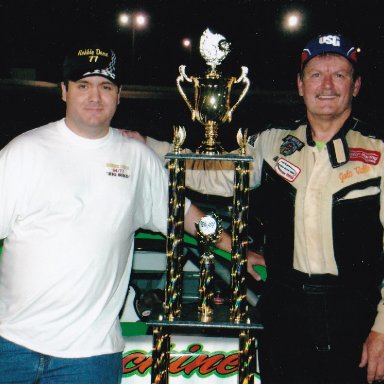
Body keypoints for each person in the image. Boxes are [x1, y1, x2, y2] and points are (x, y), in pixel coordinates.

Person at [127, 33, 384, 383]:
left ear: (355, 86)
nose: (326, 85)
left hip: (355, 315)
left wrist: (382, 328)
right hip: (284, 309)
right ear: (299, 84)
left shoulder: (379, 152)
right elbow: (211, 176)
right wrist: (150, 148)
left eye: (339, 75)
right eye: (315, 75)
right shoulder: (273, 143)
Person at [0, 43, 240, 383]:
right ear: (64, 91)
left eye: (106, 86)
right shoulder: (23, 151)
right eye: (83, 86)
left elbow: (186, 215)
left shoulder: (137, 158)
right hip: (10, 345)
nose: (94, 97)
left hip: (91, 357)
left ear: (118, 94)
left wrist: (239, 252)